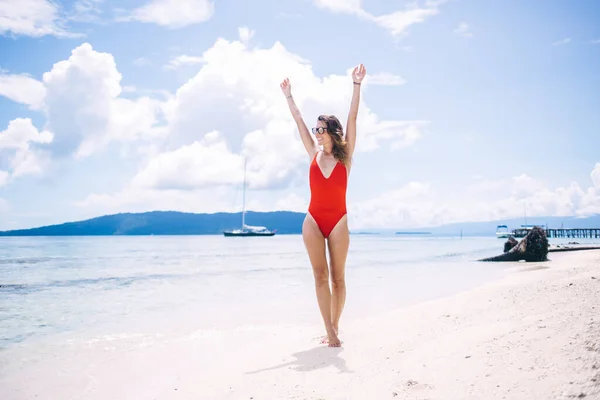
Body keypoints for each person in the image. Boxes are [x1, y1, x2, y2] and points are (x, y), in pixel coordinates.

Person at [280, 64, 366, 347]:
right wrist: (289, 96)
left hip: (339, 220)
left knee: (338, 279)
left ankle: (335, 326)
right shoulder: (312, 154)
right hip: (313, 221)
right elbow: (298, 121)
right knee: (320, 276)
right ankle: (329, 332)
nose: (316, 133)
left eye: (321, 129)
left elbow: (353, 117)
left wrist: (356, 85)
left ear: (331, 131)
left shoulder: (346, 158)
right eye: (316, 129)